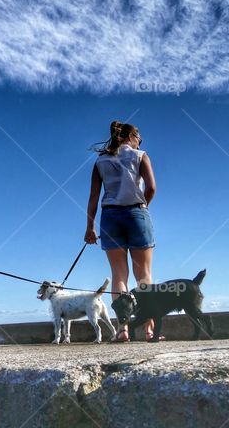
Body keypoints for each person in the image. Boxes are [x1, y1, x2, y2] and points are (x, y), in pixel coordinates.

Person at [84, 120, 158, 342]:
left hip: (110, 217)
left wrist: (90, 227)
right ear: (132, 137)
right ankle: (149, 330)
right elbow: (152, 188)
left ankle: (123, 329)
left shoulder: (101, 161)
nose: (140, 142)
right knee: (143, 274)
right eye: (139, 138)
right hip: (136, 212)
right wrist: (142, 208)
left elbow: (94, 197)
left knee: (119, 275)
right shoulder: (140, 155)